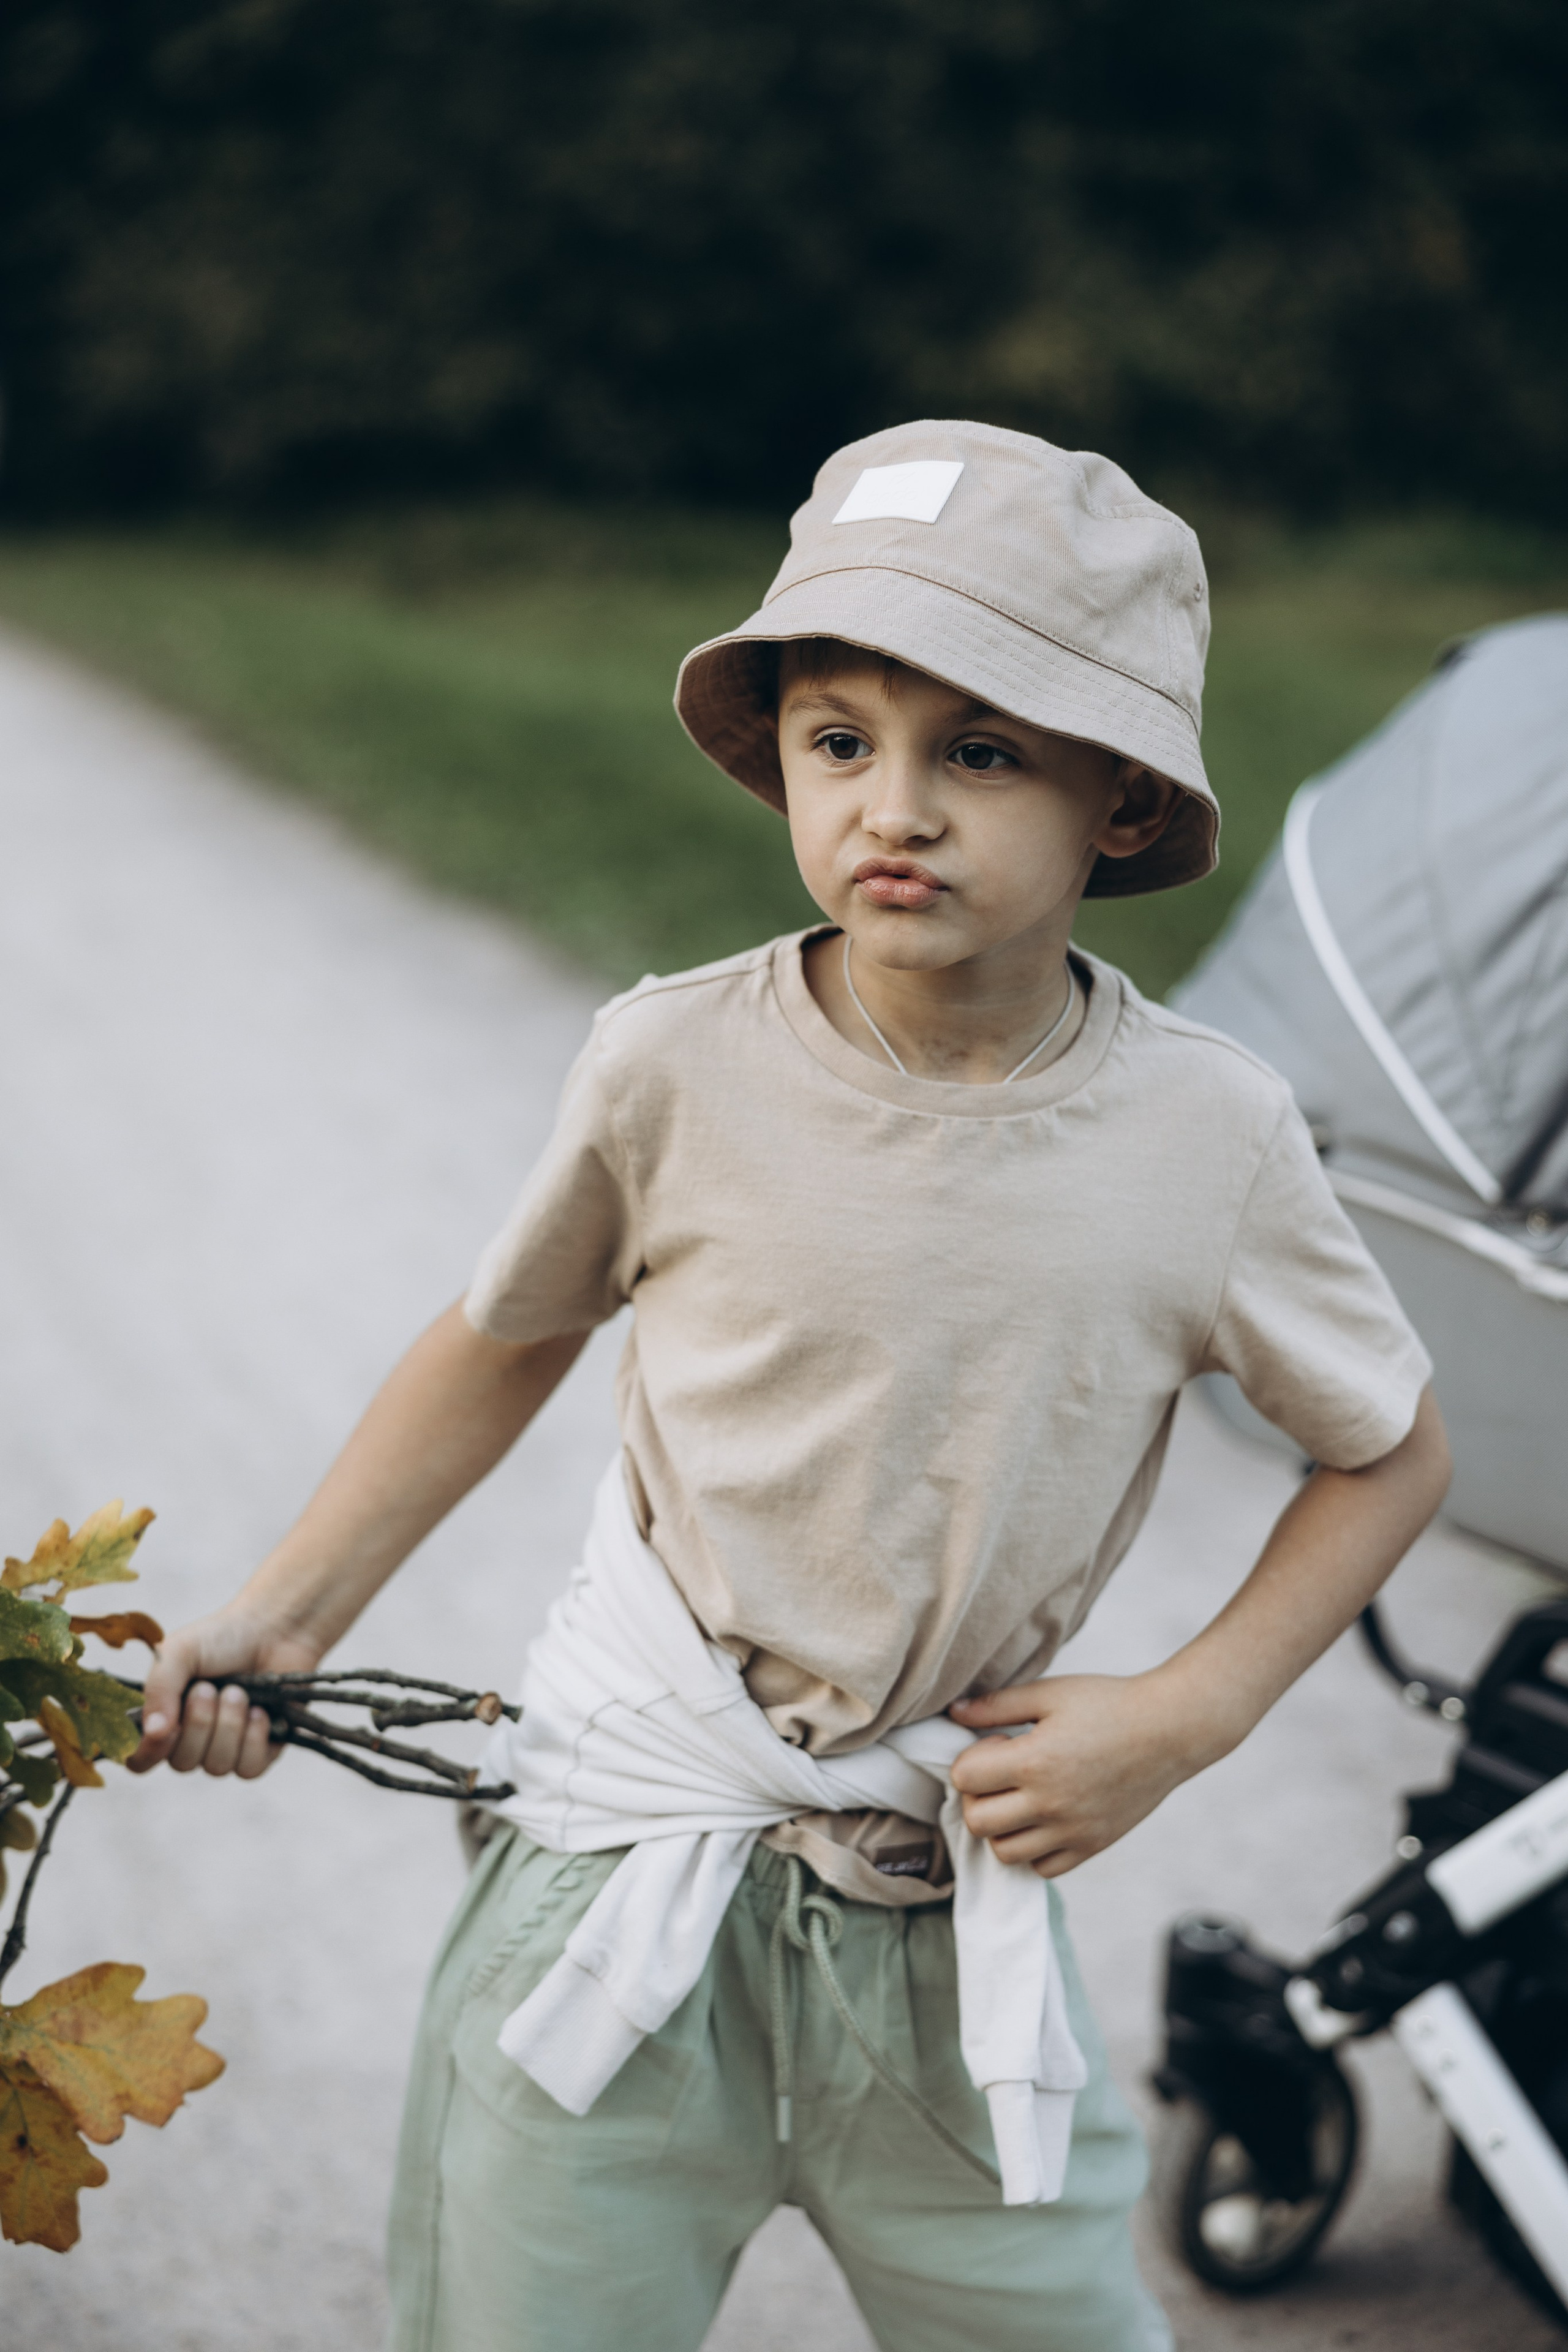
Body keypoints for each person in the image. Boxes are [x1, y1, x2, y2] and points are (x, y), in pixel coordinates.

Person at [130, 421, 1451, 2352]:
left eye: (977, 750)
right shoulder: (672, 1065)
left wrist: (1188, 1713)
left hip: (945, 1923)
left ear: (1118, 799)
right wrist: (289, 1617)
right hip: (620, 1879)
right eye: (839, 741)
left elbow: (1390, 1452)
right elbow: (508, 1334)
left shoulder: (1208, 1139)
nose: (892, 807)